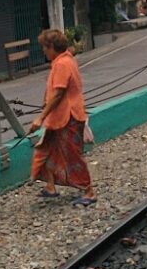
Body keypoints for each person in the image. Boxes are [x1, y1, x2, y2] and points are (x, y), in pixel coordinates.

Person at [28, 29, 96, 205]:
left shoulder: (61, 64)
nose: (43, 51)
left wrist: (40, 118)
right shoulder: (65, 59)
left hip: (67, 116)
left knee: (72, 154)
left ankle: (88, 191)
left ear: (51, 47)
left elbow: (59, 93)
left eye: (44, 47)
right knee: (48, 149)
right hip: (60, 117)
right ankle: (50, 186)